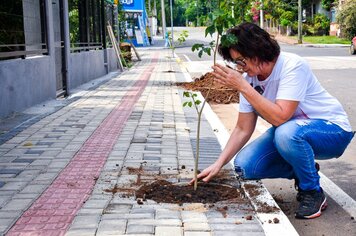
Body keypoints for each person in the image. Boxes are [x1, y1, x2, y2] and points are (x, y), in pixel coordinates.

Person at [194, 22, 355, 219]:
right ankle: (305, 170)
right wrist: (219, 164)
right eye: (236, 62)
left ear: (256, 51)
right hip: (291, 133)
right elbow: (242, 129)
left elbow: (281, 116)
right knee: (245, 166)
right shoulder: (249, 79)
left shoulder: (292, 66)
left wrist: (243, 87)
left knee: (286, 133)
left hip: (333, 131)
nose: (239, 67)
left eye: (241, 60)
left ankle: (312, 192)